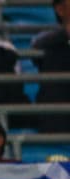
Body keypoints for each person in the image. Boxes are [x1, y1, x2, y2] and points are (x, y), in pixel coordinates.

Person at [32, 0, 70, 133]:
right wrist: (66, 33)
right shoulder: (48, 44)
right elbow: (37, 47)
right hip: (59, 124)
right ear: (60, 9)